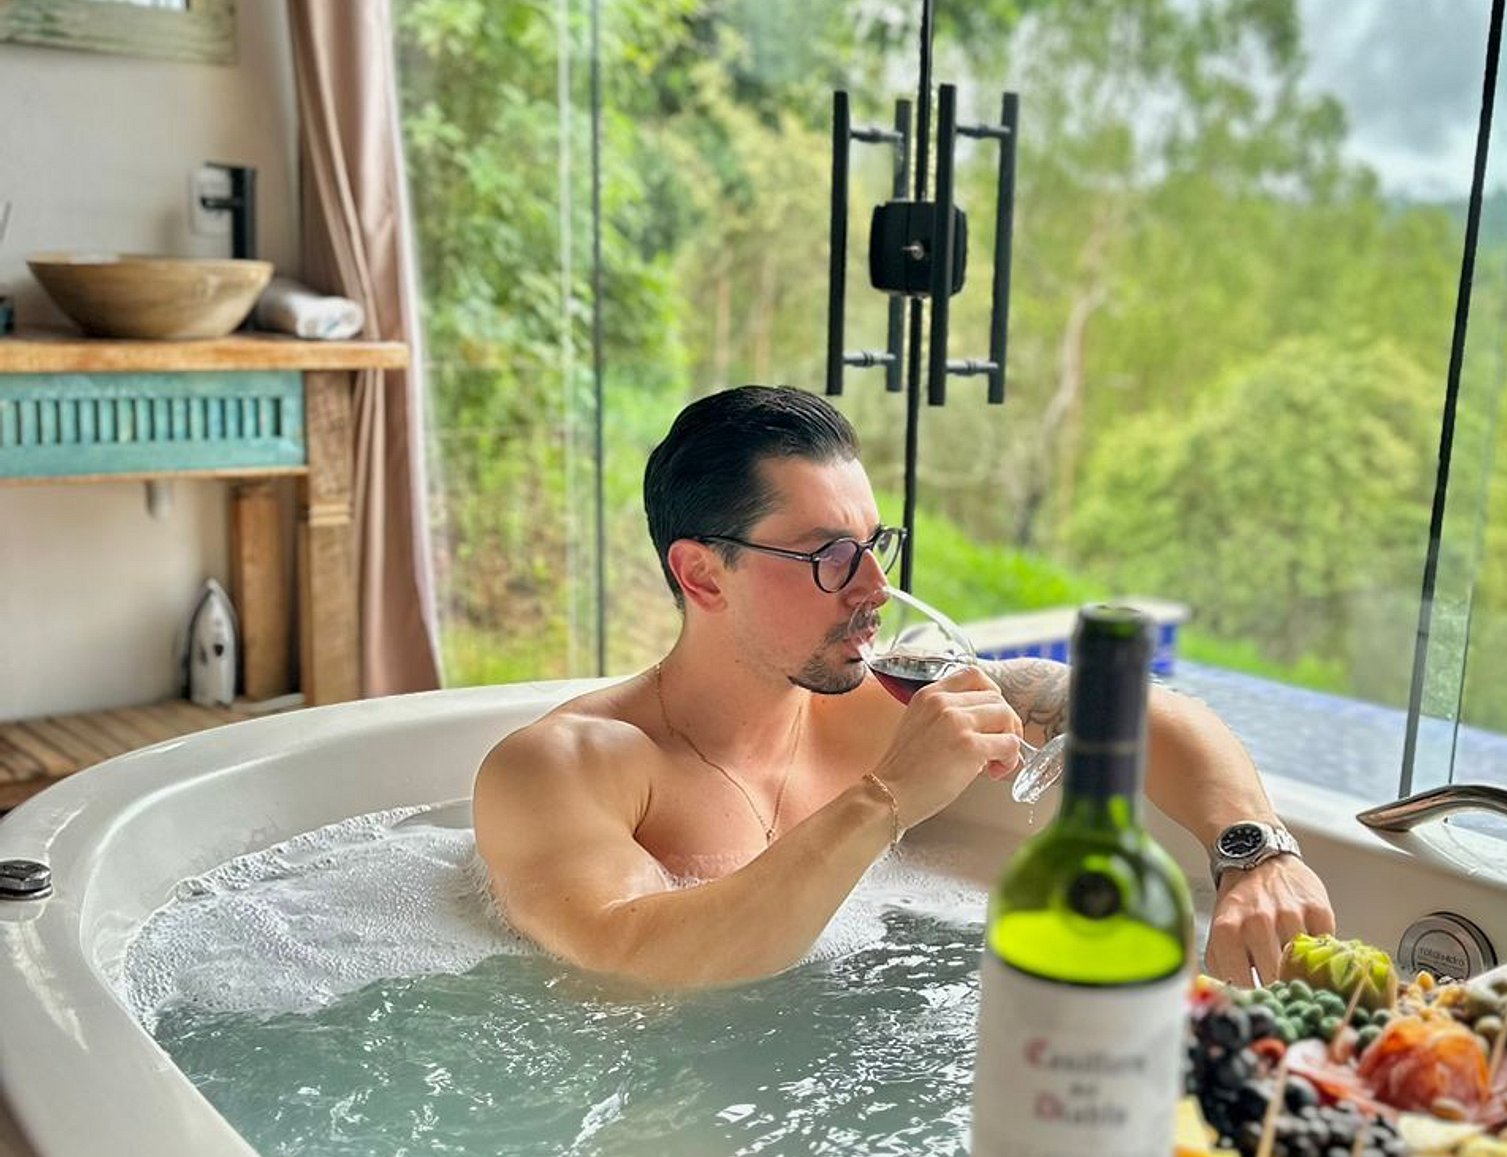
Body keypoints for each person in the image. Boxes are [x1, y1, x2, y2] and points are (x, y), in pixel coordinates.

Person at [474, 385, 1333, 988]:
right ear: (702, 573)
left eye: (873, 544)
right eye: (827, 554)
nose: (875, 588)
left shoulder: (881, 706)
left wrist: (1255, 854)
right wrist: (887, 798)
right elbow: (634, 961)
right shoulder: (562, 768)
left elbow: (1139, 711)